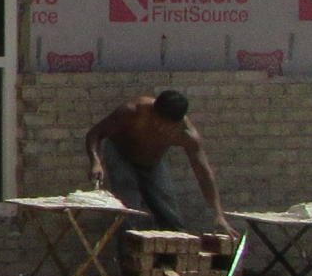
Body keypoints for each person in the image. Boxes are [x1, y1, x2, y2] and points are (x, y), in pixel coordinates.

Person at [84, 88, 232, 239]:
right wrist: (95, 161)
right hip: (120, 155)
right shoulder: (133, 111)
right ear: (153, 111)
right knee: (128, 211)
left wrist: (218, 214)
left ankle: (171, 260)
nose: (161, 129)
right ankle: (128, 259)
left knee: (170, 214)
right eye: (157, 122)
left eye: (169, 126)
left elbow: (203, 174)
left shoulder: (187, 136)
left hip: (152, 164)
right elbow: (95, 133)